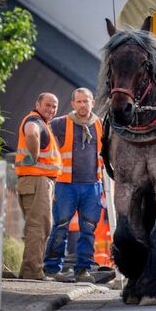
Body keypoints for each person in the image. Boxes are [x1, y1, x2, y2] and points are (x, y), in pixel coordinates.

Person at [43, 88, 105, 283]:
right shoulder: (59, 124)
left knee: (88, 229)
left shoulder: (100, 125)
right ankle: (52, 269)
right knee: (60, 226)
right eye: (79, 102)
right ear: (73, 104)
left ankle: (83, 270)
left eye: (86, 101)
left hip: (92, 185)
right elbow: (43, 139)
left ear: (92, 103)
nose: (82, 105)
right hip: (65, 185)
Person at [14, 92, 62, 281]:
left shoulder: (43, 123)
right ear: (38, 104)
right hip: (37, 181)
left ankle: (29, 269)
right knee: (38, 227)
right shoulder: (34, 120)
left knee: (39, 227)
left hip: (38, 181)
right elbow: (32, 132)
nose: (51, 109)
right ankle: (33, 272)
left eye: (54, 106)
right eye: (47, 105)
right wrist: (33, 157)